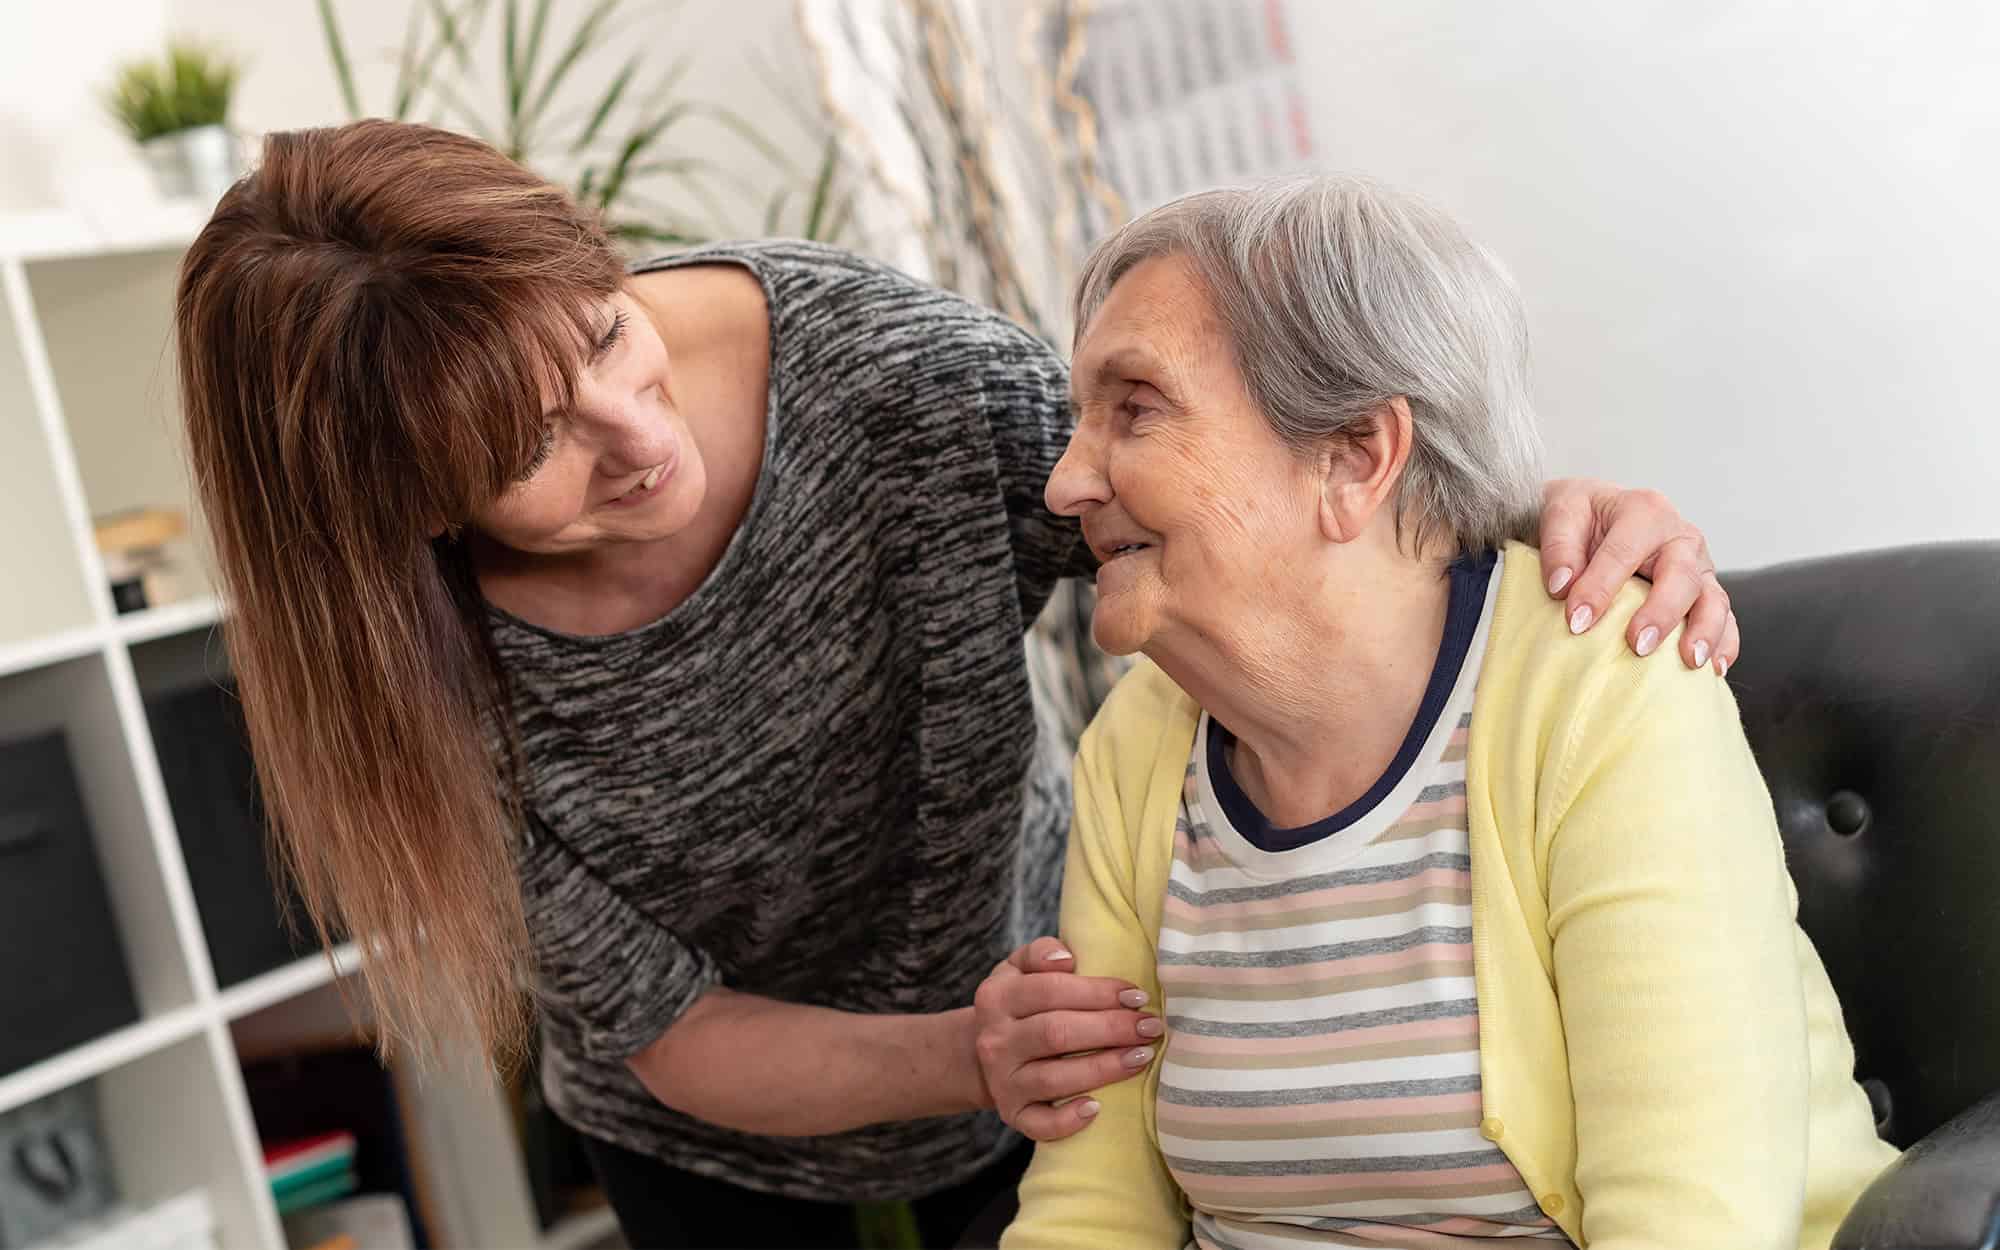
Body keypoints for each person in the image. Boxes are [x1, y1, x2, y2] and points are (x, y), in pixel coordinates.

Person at [174, 121, 1741, 1250]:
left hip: (1042, 1063)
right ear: (414, 512)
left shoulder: (885, 374)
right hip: (723, 1151)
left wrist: (1543, 518)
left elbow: (1229, 494)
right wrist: (962, 1050)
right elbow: (672, 1024)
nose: (639, 435)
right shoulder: (413, 670)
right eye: (531, 446)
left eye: (605, 332)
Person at [1000, 176, 1897, 1250]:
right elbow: (1090, 1210)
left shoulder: (1596, 687)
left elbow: (1690, 1222)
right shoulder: (1137, 748)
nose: (1064, 482)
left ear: (1353, 456)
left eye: (1136, 407)